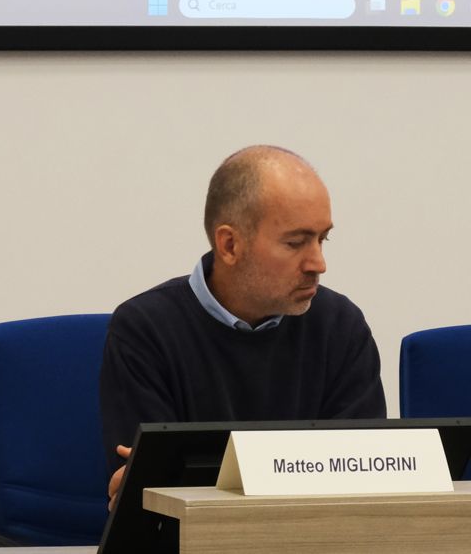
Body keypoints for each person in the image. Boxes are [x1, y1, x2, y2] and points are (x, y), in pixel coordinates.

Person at [99, 145, 386, 507]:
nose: (318, 263)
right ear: (230, 245)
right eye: (296, 242)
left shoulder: (341, 326)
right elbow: (147, 495)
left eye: (322, 238)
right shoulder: (145, 330)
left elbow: (365, 477)